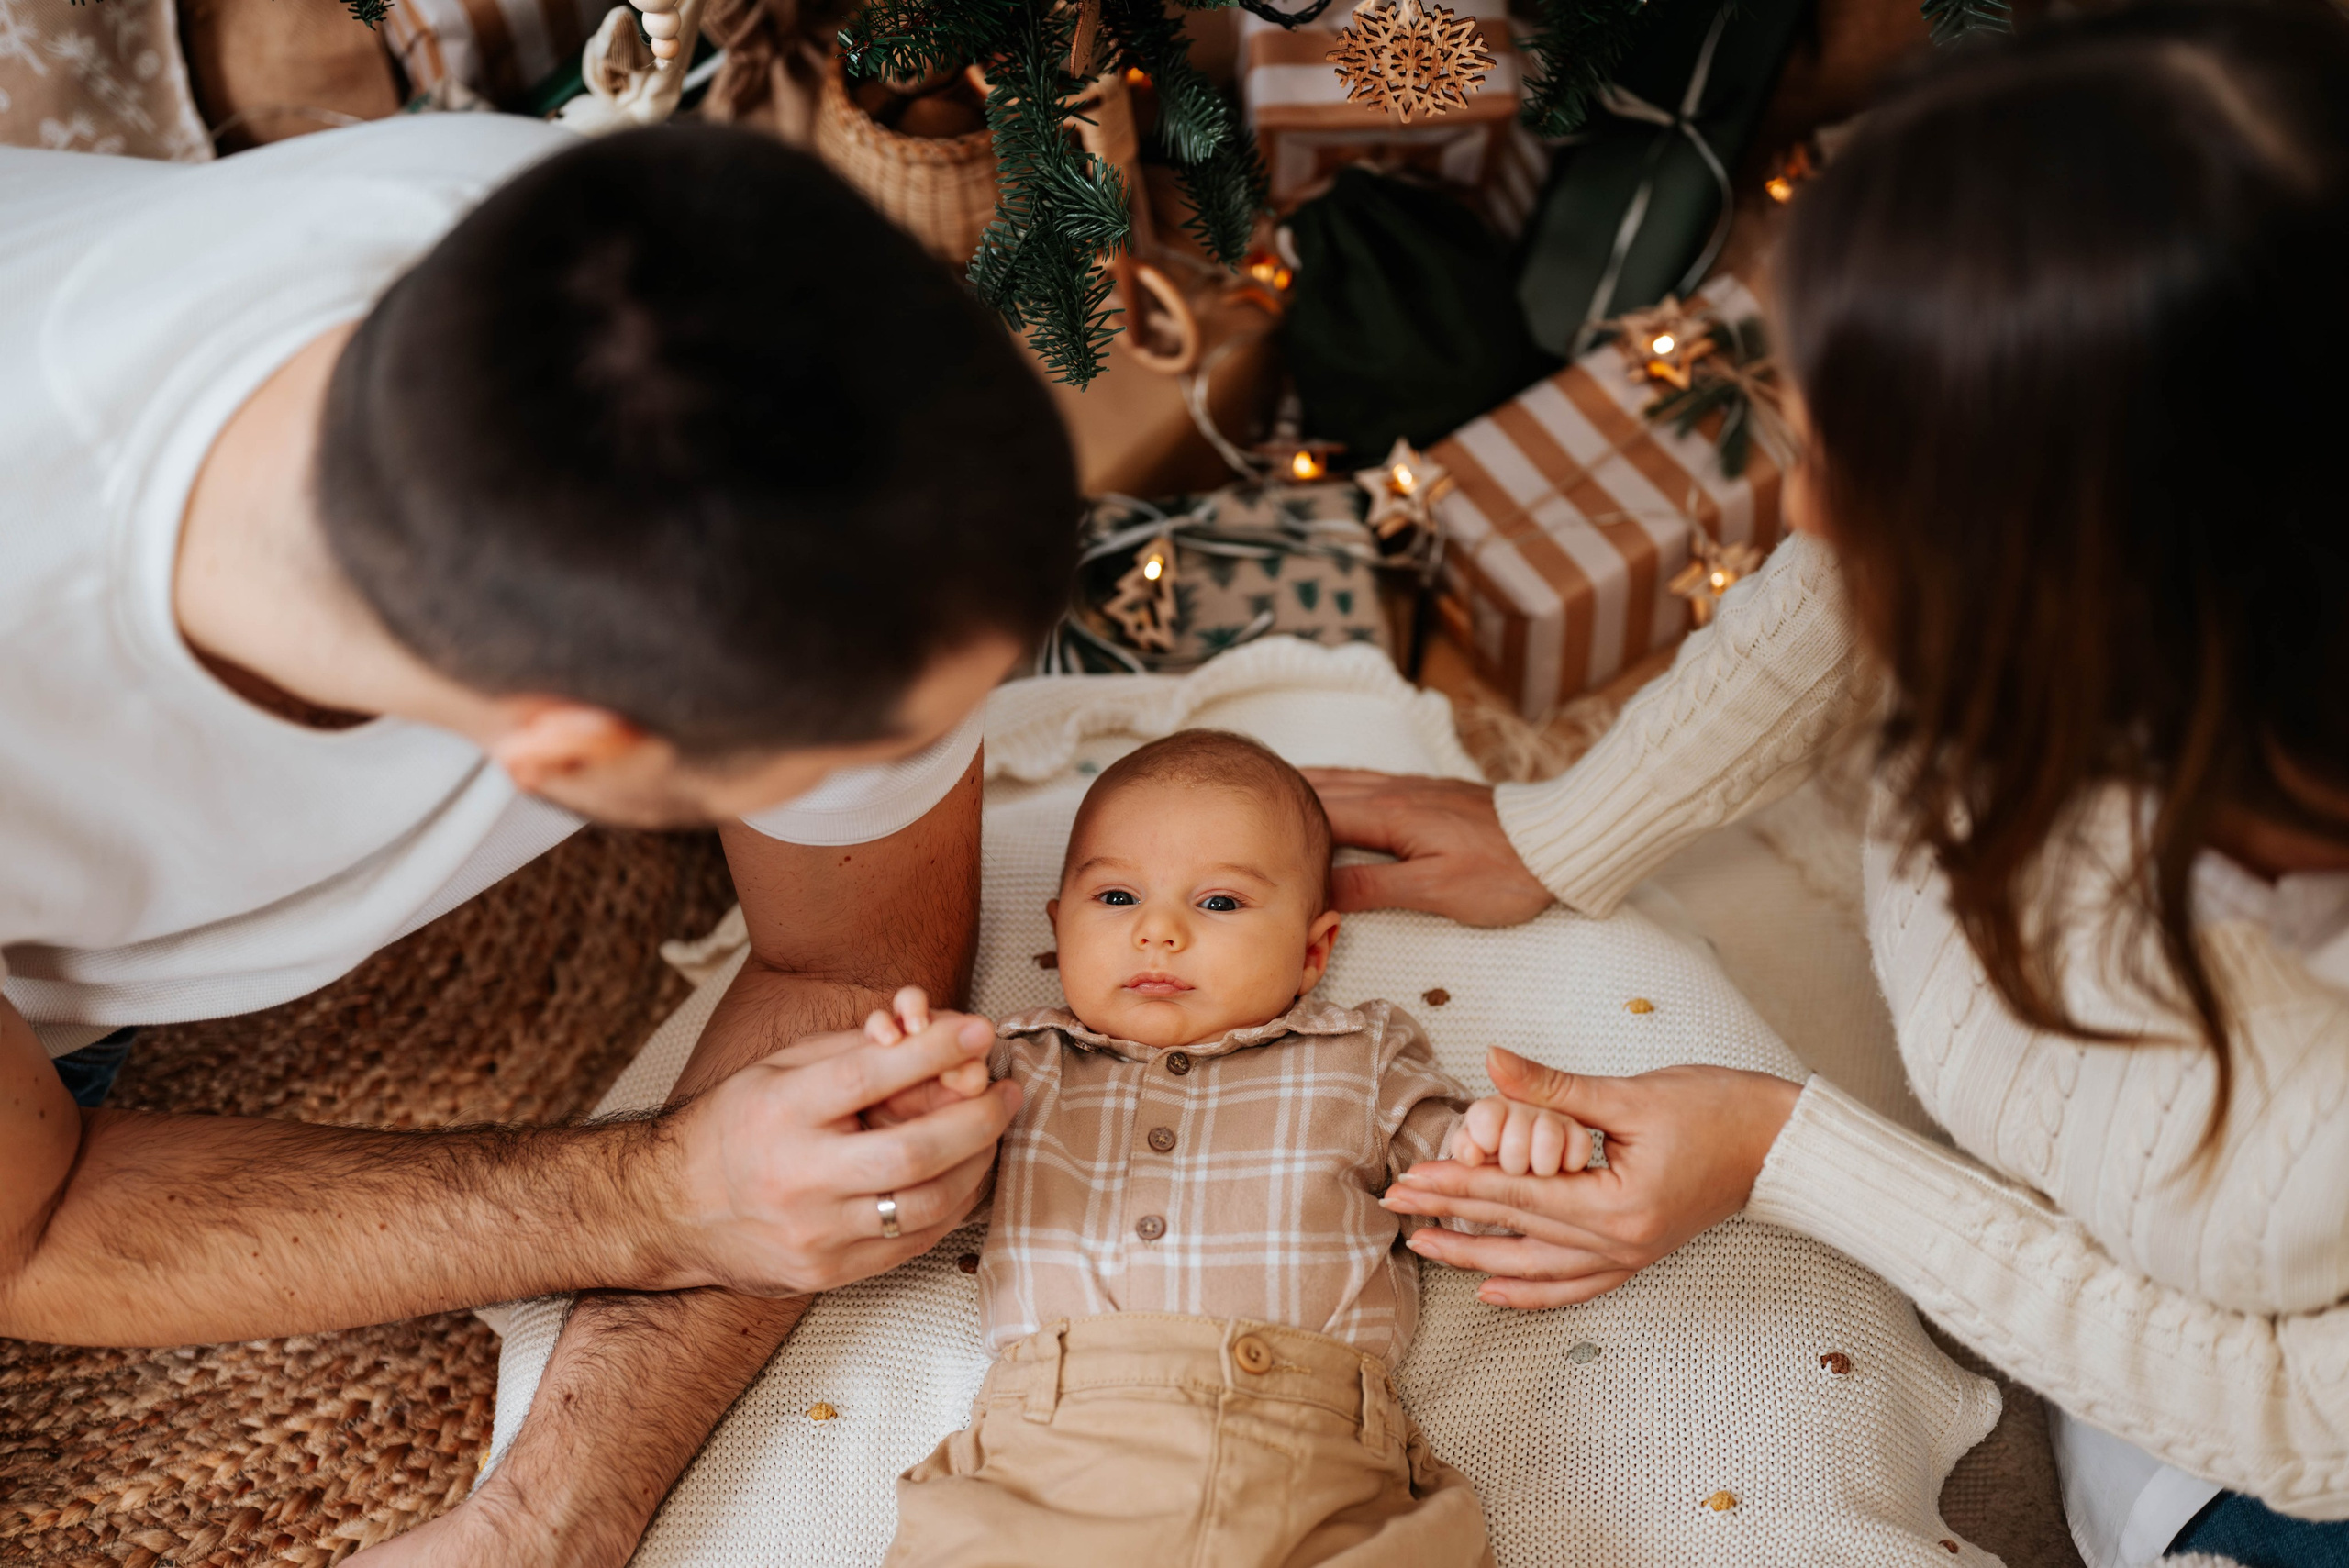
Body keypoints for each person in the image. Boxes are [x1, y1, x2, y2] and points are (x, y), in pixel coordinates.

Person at [1318, 4, 2349, 1563]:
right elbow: (1842, 576)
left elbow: (2298, 1422)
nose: (1793, 505)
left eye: (1834, 460)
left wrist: (1781, 1148)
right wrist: (1570, 823)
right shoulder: (2109, 579)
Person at [0, 118, 1079, 1565]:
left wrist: (555, 1506)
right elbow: (37, 1228)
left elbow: (849, 957)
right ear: (572, 760)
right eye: (865, 755)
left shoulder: (643, 276)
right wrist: (665, 1198)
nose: (926, 774)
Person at [864, 730, 1580, 1568]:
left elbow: (1465, 1187)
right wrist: (912, 1100)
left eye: (1219, 904)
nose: (1159, 931)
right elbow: (919, 1173)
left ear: (1314, 952)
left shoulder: (1360, 1055)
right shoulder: (1021, 1062)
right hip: (1047, 1462)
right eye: (1119, 898)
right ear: (1059, 932)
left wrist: (1515, 1148)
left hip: (1318, 1465)